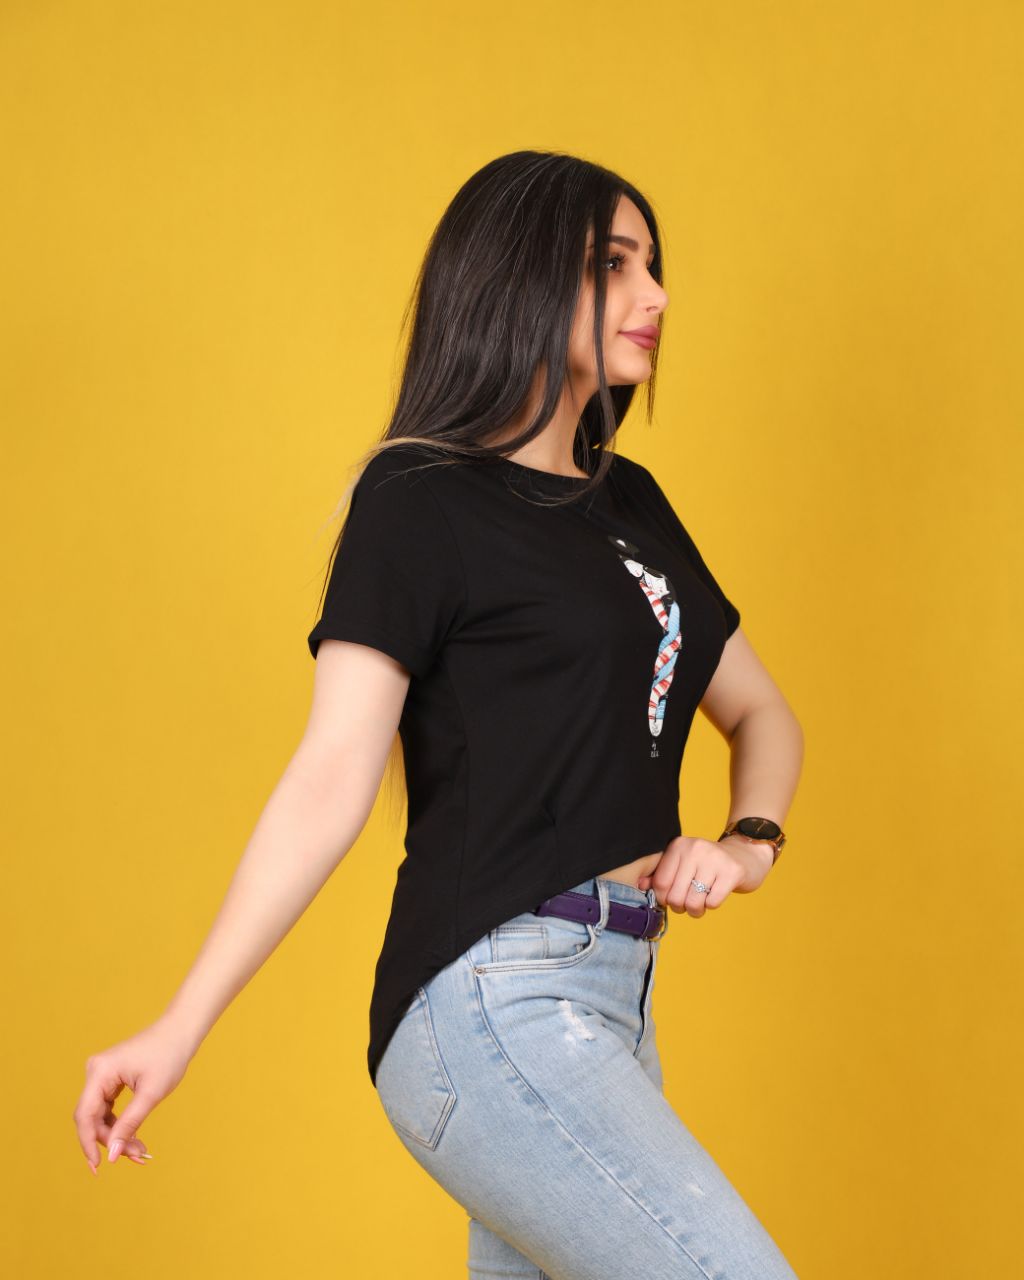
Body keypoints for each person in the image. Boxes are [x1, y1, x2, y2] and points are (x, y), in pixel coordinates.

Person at [73, 150, 804, 1280]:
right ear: (520, 276)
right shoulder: (419, 496)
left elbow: (760, 712)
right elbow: (329, 778)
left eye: (655, 265)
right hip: (497, 1003)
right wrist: (181, 1023)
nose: (656, 295)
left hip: (616, 998)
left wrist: (747, 842)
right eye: (614, 264)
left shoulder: (632, 502)